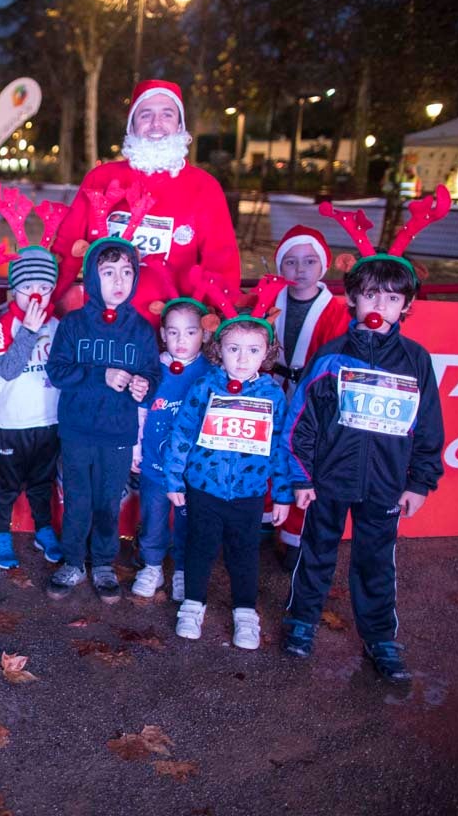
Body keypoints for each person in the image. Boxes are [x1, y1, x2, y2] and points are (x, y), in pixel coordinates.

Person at [282, 195, 448, 683]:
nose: (381, 305)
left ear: (406, 306)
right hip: (330, 479)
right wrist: (301, 475)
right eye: (371, 295)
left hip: (385, 485)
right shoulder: (332, 355)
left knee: (377, 563)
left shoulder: (416, 361)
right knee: (315, 553)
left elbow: (429, 426)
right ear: (352, 298)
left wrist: (419, 482)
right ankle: (300, 622)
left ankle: (379, 637)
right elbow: (302, 420)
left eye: (392, 298)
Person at [164, 277, 292, 649]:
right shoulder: (205, 386)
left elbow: (281, 447)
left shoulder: (271, 394)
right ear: (219, 348)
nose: (241, 358)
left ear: (266, 352)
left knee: (244, 553)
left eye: (252, 350)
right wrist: (174, 480)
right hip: (204, 487)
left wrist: (281, 494)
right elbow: (183, 433)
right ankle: (192, 604)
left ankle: (245, 612)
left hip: (249, 493)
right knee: (199, 547)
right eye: (233, 349)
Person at [51, 80, 241, 316]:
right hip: (103, 328)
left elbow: (222, 266)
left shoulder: (205, 187)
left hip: (173, 337)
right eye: (145, 115)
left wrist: (221, 323)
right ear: (132, 126)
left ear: (180, 125)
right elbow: (68, 250)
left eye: (167, 115)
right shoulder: (100, 179)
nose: (156, 124)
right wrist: (44, 301)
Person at [45, 229, 160, 603]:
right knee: (77, 497)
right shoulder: (74, 324)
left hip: (118, 432)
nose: (119, 281)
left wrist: (145, 385)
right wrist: (101, 376)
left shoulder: (142, 329)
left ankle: (104, 563)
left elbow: (152, 374)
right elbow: (57, 371)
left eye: (127, 272)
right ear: (92, 276)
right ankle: (74, 561)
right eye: (109, 272)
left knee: (109, 500)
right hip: (78, 429)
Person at [269, 226, 349, 568]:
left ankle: (296, 536)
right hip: (269, 390)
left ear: (324, 266)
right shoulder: (268, 301)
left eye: (309, 261)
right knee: (264, 454)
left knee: (302, 462)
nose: (300, 269)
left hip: (312, 398)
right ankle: (263, 522)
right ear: (278, 267)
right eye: (290, 261)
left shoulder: (338, 311)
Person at [0, 244, 63, 569]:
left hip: (48, 420)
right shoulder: (5, 324)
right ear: (15, 289)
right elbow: (7, 369)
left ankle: (43, 529)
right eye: (29, 287)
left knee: (42, 481)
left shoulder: (57, 324)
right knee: (7, 484)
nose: (36, 295)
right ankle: (0, 534)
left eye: (44, 288)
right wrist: (29, 331)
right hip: (14, 422)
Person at [132, 296, 210, 601]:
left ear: (204, 334)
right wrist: (135, 449)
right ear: (163, 333)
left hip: (193, 469)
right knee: (153, 515)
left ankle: (181, 569)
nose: (181, 340)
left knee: (187, 519)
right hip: (155, 462)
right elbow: (140, 411)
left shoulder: (209, 371)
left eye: (190, 332)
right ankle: (152, 566)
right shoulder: (153, 370)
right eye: (173, 332)